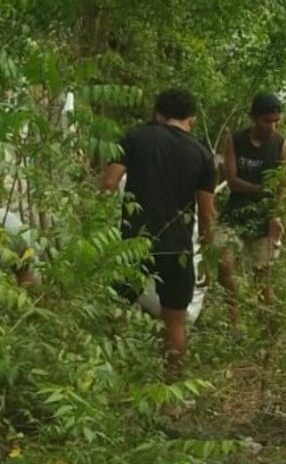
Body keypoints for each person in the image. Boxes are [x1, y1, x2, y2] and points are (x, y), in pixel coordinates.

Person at [100, 88, 216, 370]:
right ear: (192, 119)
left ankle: (112, 374)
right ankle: (171, 387)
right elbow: (206, 213)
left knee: (119, 307)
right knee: (175, 320)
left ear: (157, 114)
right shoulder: (203, 155)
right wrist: (206, 255)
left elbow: (109, 184)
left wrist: (103, 230)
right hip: (177, 248)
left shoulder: (135, 137)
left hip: (133, 243)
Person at [217, 92, 286, 319]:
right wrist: (261, 190)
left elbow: (283, 187)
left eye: (276, 121)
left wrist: (275, 216)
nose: (272, 126)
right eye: (266, 121)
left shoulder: (283, 147)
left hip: (264, 216)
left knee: (262, 277)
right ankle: (234, 315)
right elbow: (232, 179)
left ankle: (267, 326)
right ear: (254, 118)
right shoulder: (235, 141)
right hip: (235, 213)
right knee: (224, 265)